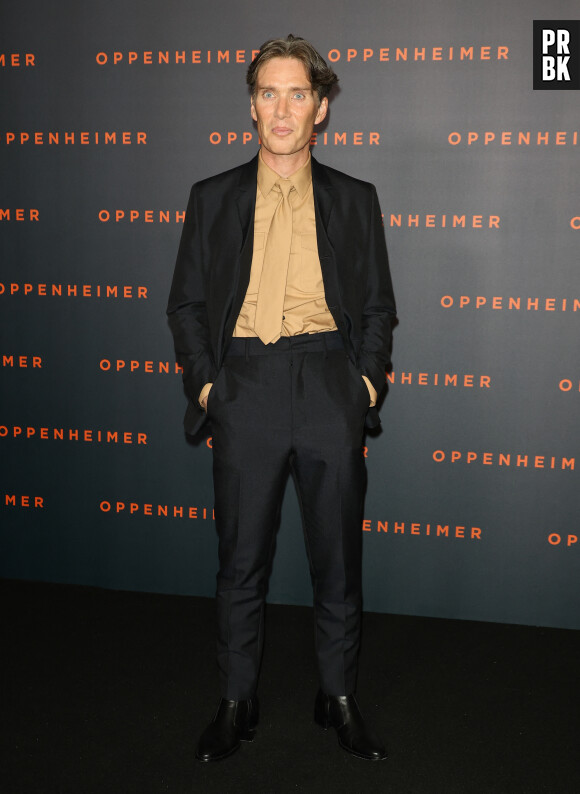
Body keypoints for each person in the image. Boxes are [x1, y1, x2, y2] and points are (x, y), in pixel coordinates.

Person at [167, 34, 396, 762]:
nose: (283, 108)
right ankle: (237, 700)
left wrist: (361, 385)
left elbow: (380, 309)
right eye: (268, 92)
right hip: (246, 386)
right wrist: (210, 385)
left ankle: (338, 697)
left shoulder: (355, 200)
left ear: (321, 107)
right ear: (252, 106)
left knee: (337, 559)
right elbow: (187, 306)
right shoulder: (213, 197)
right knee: (240, 562)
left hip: (329, 380)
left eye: (298, 93)